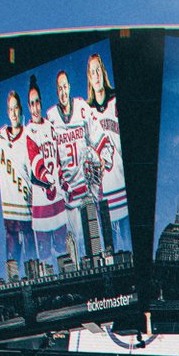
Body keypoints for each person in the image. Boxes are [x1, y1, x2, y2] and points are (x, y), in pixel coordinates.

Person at [0, 90, 41, 278]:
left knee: (32, 263)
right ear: (8, 113)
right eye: (10, 109)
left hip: (27, 211)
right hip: (9, 213)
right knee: (13, 265)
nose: (14, 113)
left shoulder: (28, 137)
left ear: (20, 110)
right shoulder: (0, 137)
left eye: (16, 108)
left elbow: (38, 171)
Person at [46, 69, 99, 263]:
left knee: (94, 239)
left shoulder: (82, 108)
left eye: (65, 87)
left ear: (69, 87)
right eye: (59, 88)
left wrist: (95, 167)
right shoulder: (51, 117)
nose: (62, 92)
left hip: (86, 187)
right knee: (75, 244)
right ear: (56, 91)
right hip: (69, 192)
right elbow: (50, 157)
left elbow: (94, 139)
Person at [85, 52, 131, 252]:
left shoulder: (117, 100)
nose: (95, 75)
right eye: (92, 72)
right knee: (110, 253)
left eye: (98, 70)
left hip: (123, 188)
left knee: (130, 248)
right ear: (89, 77)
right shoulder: (86, 112)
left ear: (103, 72)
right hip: (102, 196)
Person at [24, 74, 64, 267]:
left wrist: (62, 181)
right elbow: (35, 161)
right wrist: (48, 179)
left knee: (65, 254)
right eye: (31, 104)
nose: (35, 107)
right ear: (28, 107)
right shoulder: (28, 131)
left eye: (37, 102)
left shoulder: (50, 126)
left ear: (41, 102)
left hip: (57, 201)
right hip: (41, 205)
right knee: (45, 261)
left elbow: (57, 159)